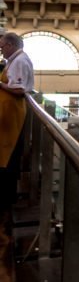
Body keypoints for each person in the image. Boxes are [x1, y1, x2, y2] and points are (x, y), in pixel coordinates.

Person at [0, 31, 34, 208]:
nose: (1, 50)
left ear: (11, 45)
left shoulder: (19, 61)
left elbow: (19, 89)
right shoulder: (14, 60)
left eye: (2, 47)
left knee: (10, 155)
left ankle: (7, 199)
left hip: (13, 114)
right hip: (9, 113)